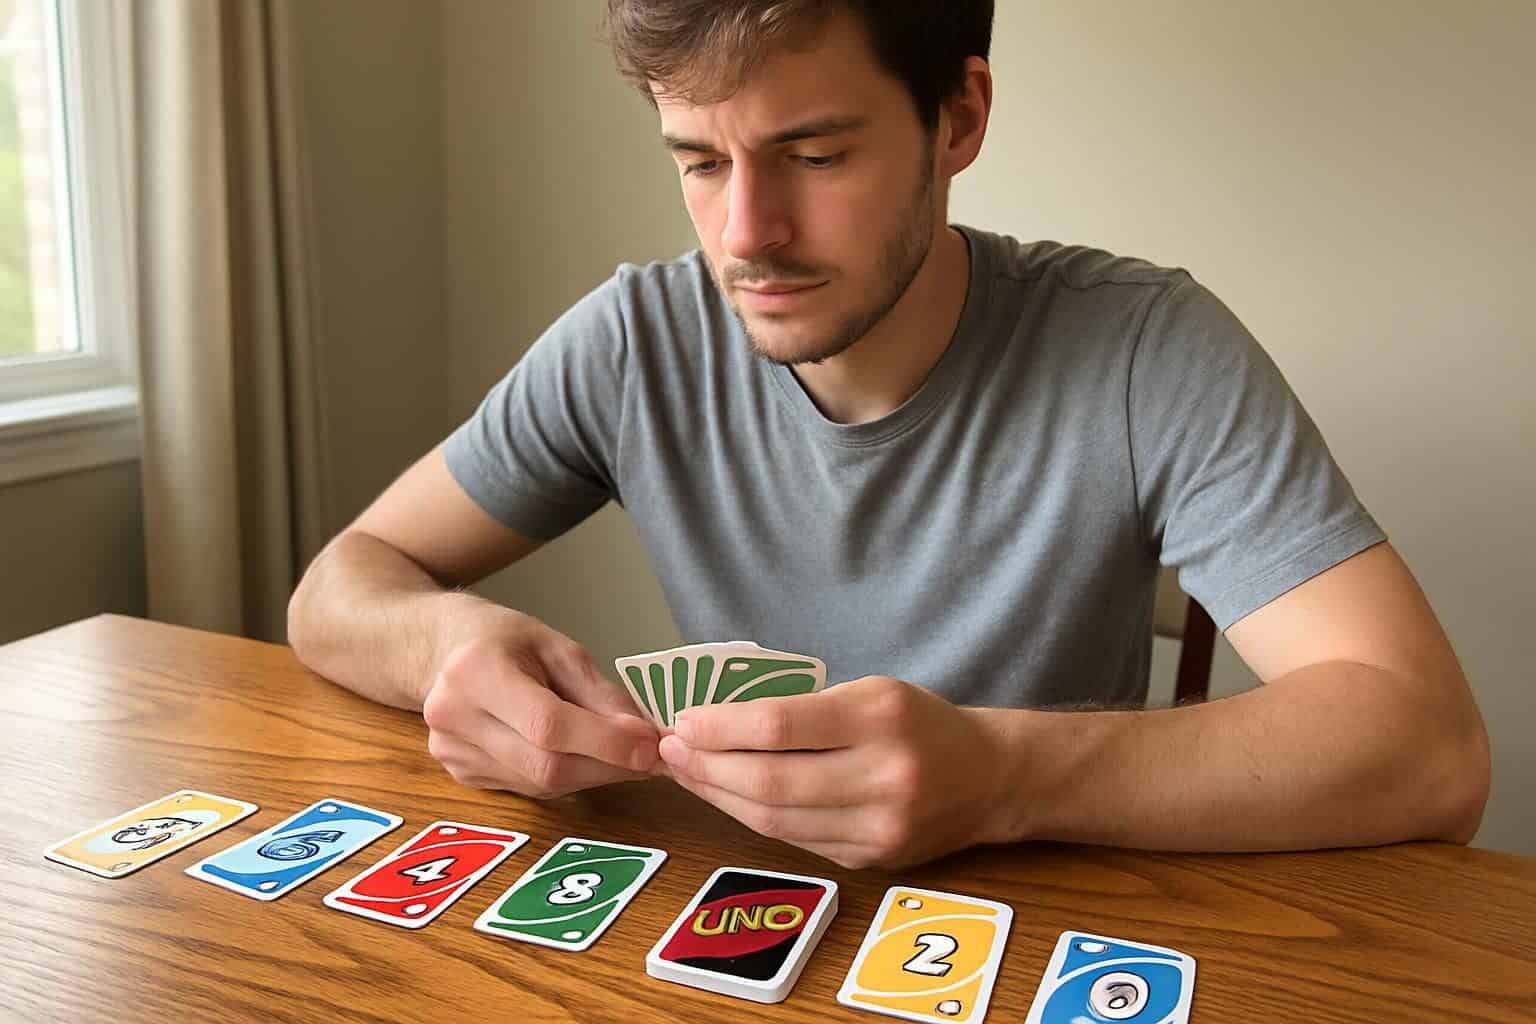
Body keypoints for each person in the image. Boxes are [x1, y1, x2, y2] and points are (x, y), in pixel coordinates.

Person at [287, 0, 1489, 869]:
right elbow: (338, 588)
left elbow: (1428, 746)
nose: (745, 234)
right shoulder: (633, 340)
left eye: (814, 154)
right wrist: (450, 642)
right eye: (699, 162)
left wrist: (1004, 777)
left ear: (958, 118)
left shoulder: (1145, 347)